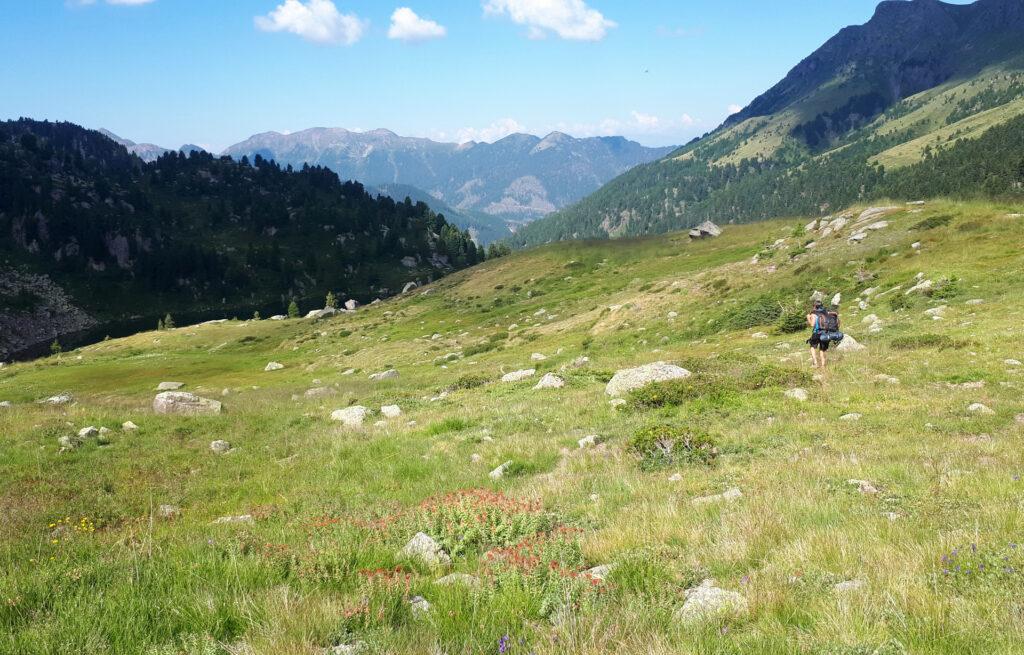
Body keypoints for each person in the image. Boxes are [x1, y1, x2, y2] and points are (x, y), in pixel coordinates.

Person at [806, 300, 830, 369]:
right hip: (825, 333)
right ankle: (823, 366)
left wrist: (808, 318)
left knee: (812, 347)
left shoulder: (814, 314)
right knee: (822, 349)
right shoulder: (825, 313)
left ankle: (815, 363)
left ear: (815, 306)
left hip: (816, 333)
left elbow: (812, 324)